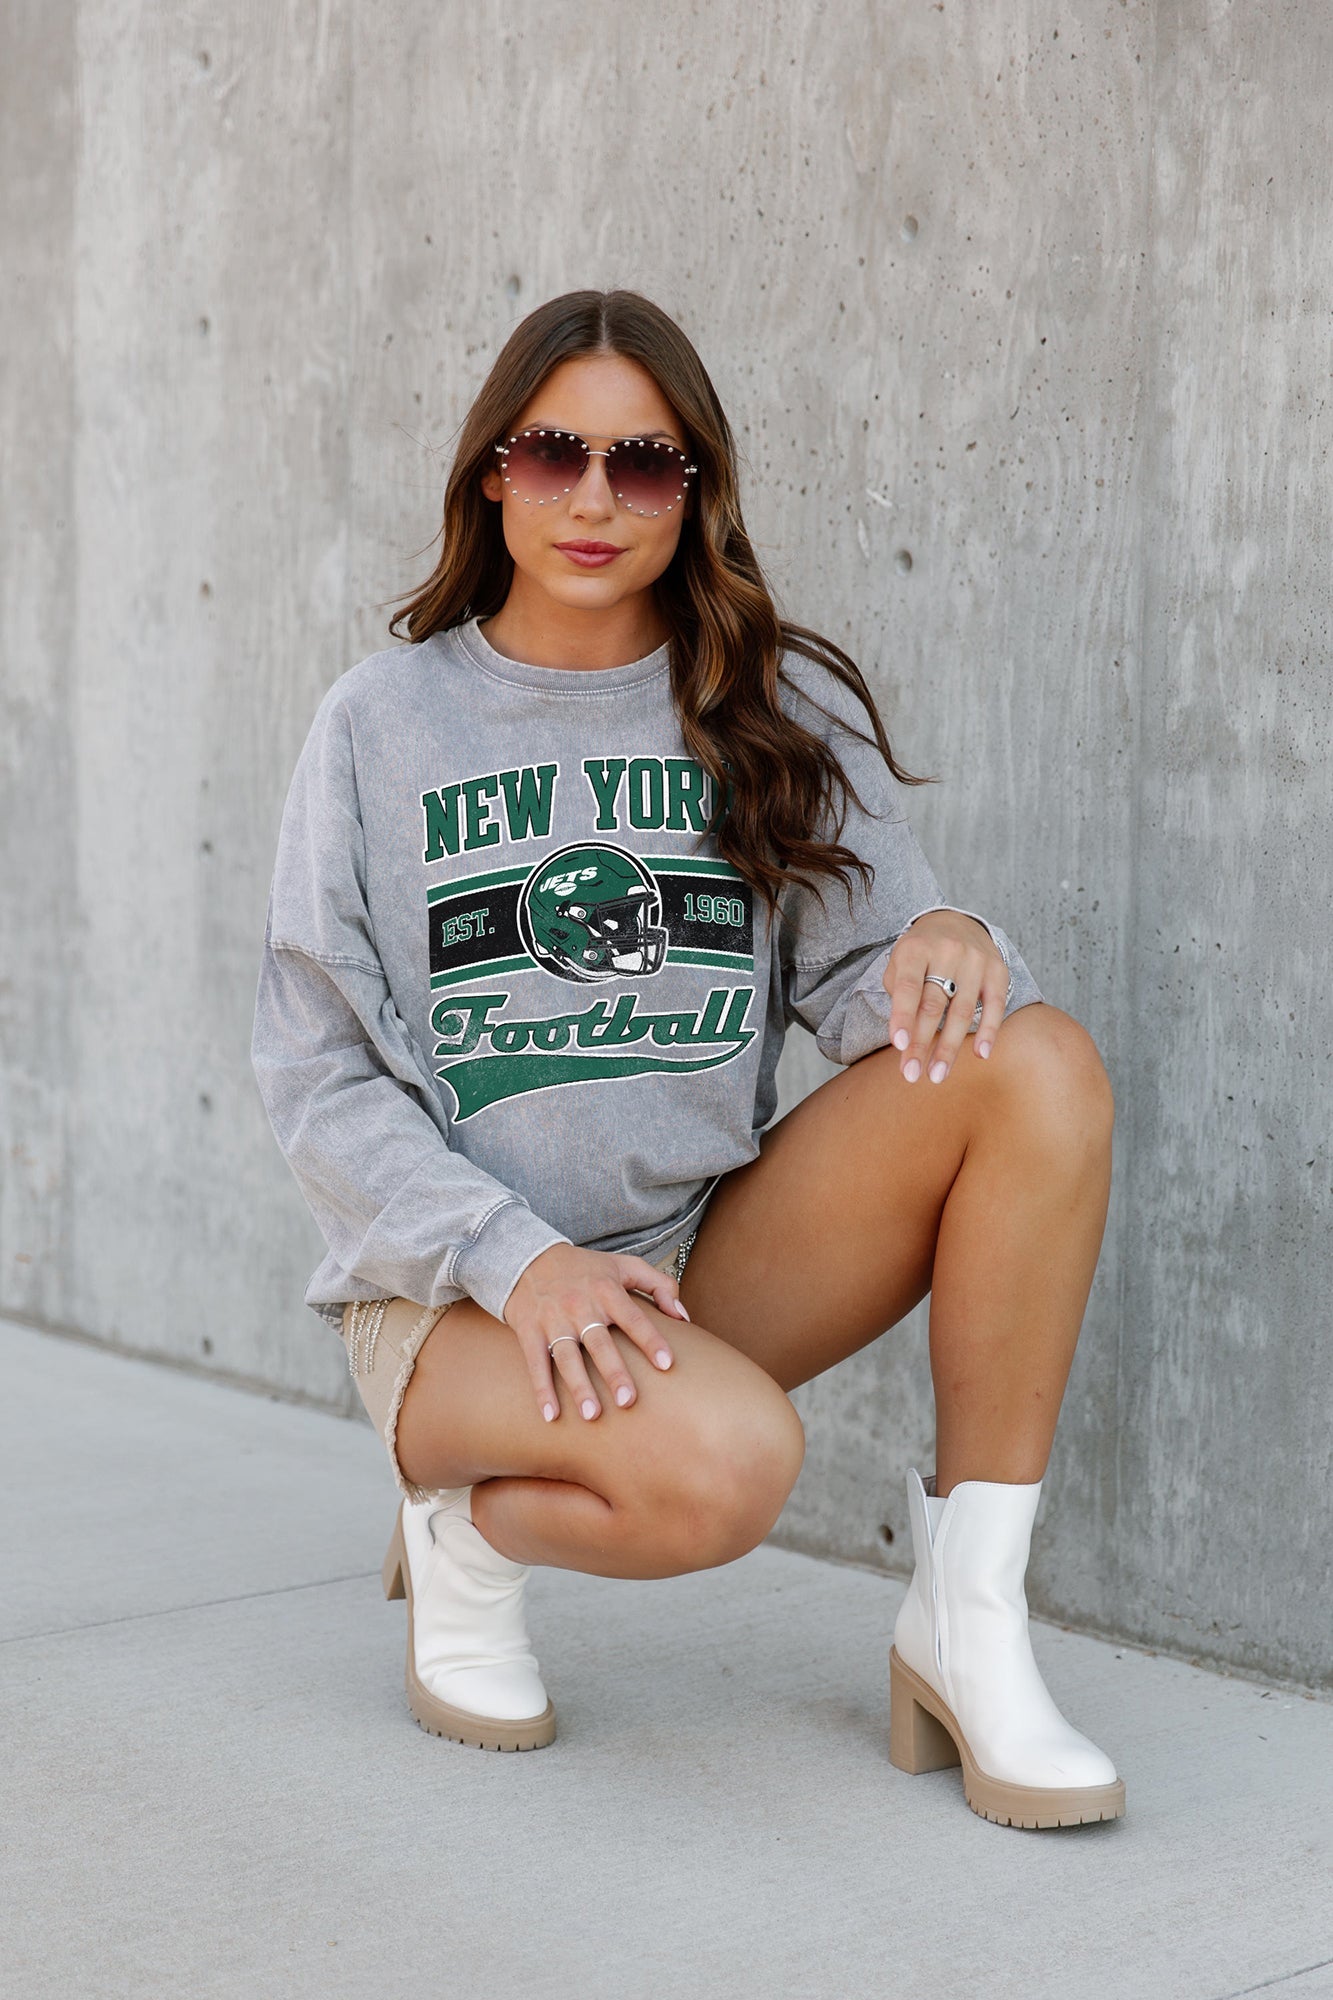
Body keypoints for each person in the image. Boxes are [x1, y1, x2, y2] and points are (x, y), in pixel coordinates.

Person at [251, 288, 1124, 1831]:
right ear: (492, 474)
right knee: (728, 1474)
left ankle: (968, 1618)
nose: (593, 499)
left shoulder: (765, 704)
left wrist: (945, 938)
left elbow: (877, 987)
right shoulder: (382, 724)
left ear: (694, 488)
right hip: (453, 1295)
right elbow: (318, 1076)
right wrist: (515, 1259)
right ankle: (467, 1536)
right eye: (554, 454)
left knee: (1036, 1067)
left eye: (642, 464)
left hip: (685, 1262)